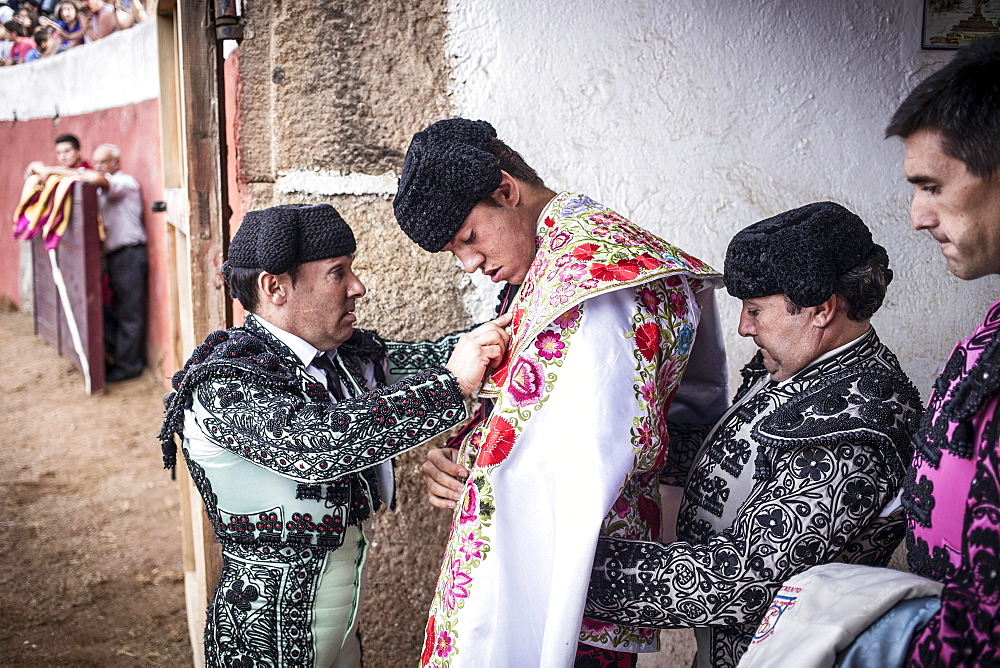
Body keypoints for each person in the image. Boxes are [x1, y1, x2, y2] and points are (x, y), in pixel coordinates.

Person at [394, 118, 730, 666]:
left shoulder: (590, 282)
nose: (472, 264)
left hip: (569, 580)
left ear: (506, 190)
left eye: (470, 238)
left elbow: (585, 448)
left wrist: (482, 470)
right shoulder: (554, 264)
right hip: (555, 568)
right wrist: (461, 451)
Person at [158, 202, 510, 668]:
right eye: (337, 272)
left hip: (343, 634)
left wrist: (512, 322)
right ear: (275, 287)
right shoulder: (223, 382)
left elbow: (446, 357)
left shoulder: (346, 359)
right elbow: (313, 445)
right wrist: (452, 387)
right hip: (261, 644)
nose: (357, 286)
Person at [585, 202, 924, 668]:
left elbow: (741, 582)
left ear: (820, 311)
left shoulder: (860, 421)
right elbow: (731, 456)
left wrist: (575, 570)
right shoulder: (797, 366)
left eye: (755, 310)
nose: (744, 327)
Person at [28, 143, 147, 381]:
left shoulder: (125, 182)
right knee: (115, 311)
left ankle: (129, 367)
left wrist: (50, 170)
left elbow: (93, 178)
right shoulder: (106, 185)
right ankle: (123, 358)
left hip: (130, 254)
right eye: (97, 162)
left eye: (104, 162)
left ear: (116, 163)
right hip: (117, 256)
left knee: (129, 314)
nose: (100, 167)